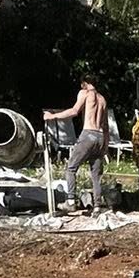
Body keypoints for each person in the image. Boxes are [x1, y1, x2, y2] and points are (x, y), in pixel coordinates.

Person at [44, 75, 110, 212]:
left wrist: (52, 116)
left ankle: (70, 201)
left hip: (89, 134)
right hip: (100, 136)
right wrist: (105, 146)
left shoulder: (85, 93)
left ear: (85, 83)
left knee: (71, 168)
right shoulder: (103, 99)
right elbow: (106, 126)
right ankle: (97, 207)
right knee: (96, 174)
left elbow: (74, 111)